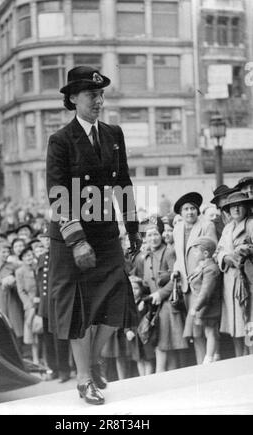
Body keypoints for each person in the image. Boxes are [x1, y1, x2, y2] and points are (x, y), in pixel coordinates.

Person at [46, 65, 141, 405]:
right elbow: (57, 191)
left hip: (105, 233)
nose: (99, 101)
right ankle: (85, 379)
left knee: (116, 301)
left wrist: (133, 231)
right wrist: (76, 240)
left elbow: (123, 184)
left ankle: (95, 359)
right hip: (72, 237)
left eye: (101, 95)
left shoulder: (114, 134)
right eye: (91, 95)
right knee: (79, 311)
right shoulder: (60, 140)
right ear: (73, 99)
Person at [172, 192, 217, 364]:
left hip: (202, 281)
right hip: (187, 285)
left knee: (207, 323)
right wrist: (176, 270)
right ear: (181, 213)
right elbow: (179, 256)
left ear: (197, 211)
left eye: (192, 208)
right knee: (195, 328)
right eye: (186, 209)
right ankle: (201, 364)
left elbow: (212, 250)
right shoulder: (177, 229)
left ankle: (212, 360)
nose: (189, 212)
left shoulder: (207, 225)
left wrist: (202, 268)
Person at [139, 219, 188, 372]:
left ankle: (162, 376)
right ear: (144, 238)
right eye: (149, 235)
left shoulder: (169, 252)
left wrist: (161, 293)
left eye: (156, 234)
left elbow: (178, 278)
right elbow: (146, 284)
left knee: (165, 346)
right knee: (165, 346)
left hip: (168, 305)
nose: (153, 238)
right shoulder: (145, 258)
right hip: (154, 307)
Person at [216, 192, 253, 357]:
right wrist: (225, 257)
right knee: (235, 325)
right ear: (228, 210)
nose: (236, 209)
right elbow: (218, 251)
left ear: (246, 207)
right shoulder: (227, 228)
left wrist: (243, 251)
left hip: (248, 279)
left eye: (240, 205)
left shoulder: (251, 224)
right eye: (232, 206)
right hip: (230, 280)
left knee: (249, 321)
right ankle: (240, 359)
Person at [36, 230, 71, 382]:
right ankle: (54, 369)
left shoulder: (60, 256)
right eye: (44, 239)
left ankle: (64, 370)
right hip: (45, 305)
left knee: (59, 339)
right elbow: (39, 283)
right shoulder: (41, 258)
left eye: (49, 239)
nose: (47, 242)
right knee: (48, 339)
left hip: (57, 303)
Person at [183, 237, 221, 364]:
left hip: (209, 305)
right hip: (204, 305)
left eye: (196, 251)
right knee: (208, 331)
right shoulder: (203, 266)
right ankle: (213, 356)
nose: (194, 254)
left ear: (205, 253)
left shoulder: (211, 269)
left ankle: (209, 358)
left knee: (211, 331)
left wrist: (195, 308)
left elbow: (205, 292)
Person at [16, 246, 39, 364]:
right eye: (25, 256)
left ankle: (45, 357)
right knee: (32, 330)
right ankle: (35, 359)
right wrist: (29, 304)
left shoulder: (38, 266)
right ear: (22, 259)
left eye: (30, 255)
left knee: (43, 331)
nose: (28, 258)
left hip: (41, 302)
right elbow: (21, 291)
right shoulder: (19, 272)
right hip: (30, 304)